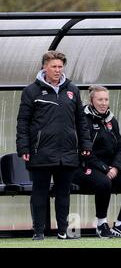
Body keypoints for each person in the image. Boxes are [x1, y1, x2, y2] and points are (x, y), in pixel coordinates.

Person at [16, 51, 92, 240]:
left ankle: (62, 231)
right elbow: (23, 122)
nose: (58, 70)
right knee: (39, 192)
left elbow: (80, 120)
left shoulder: (72, 90)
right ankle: (39, 231)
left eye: (60, 67)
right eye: (54, 67)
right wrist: (23, 148)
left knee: (63, 193)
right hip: (40, 151)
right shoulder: (31, 91)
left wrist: (85, 143)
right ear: (44, 67)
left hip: (67, 152)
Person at [73, 86, 121, 238]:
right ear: (91, 101)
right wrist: (105, 169)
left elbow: (120, 147)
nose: (104, 103)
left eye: (106, 99)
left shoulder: (111, 119)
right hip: (84, 167)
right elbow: (84, 152)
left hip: (110, 168)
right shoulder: (82, 119)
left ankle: (120, 225)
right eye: (100, 99)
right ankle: (101, 223)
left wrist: (116, 167)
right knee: (104, 182)